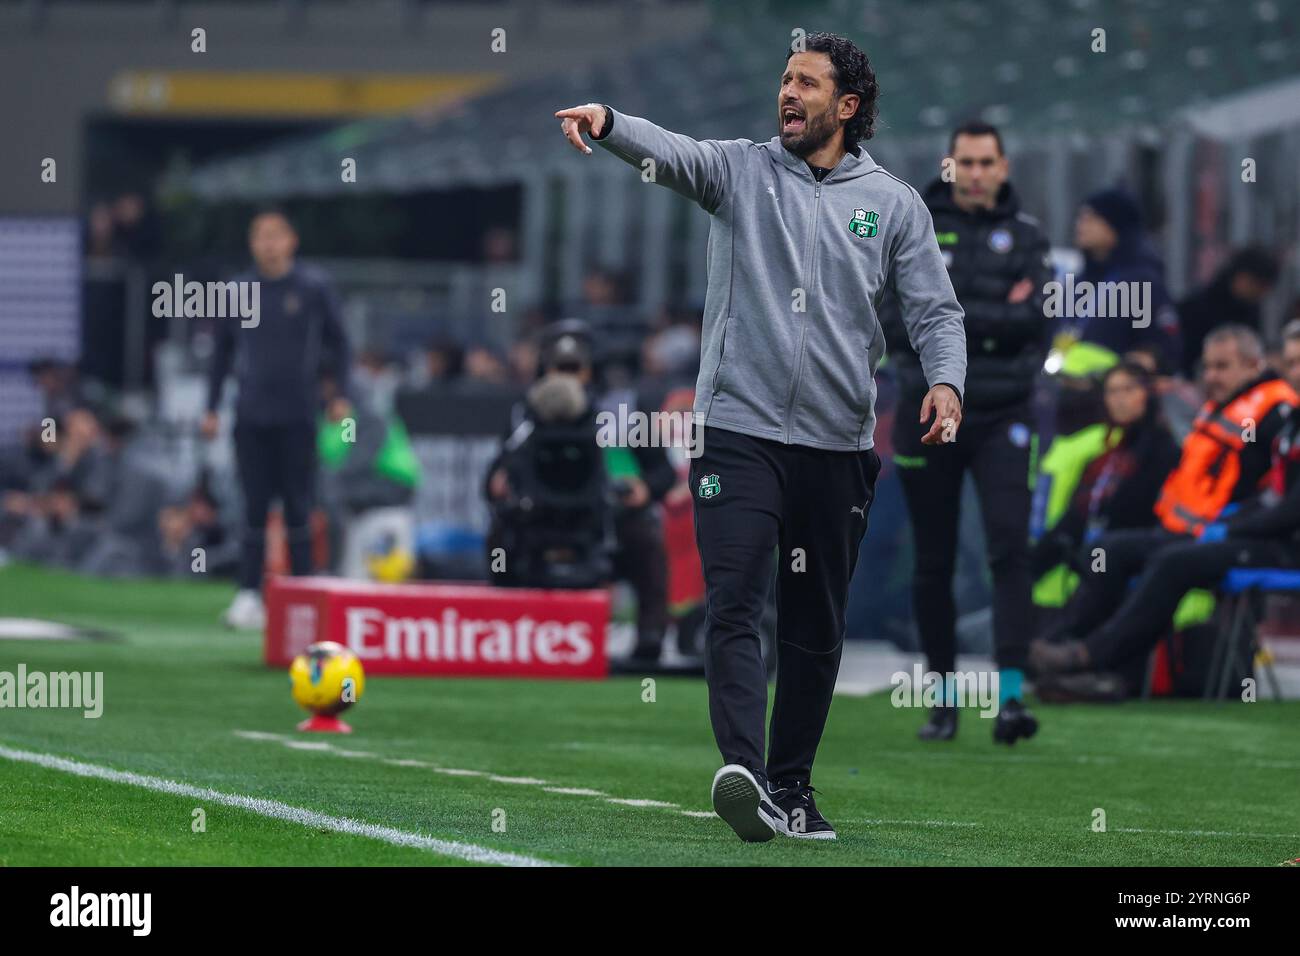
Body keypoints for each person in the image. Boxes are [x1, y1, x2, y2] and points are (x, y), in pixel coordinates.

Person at [556, 31, 966, 841]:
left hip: (838, 447)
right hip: (737, 434)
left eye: (807, 83)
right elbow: (672, 154)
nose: (789, 93)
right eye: (785, 79)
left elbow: (935, 311)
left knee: (815, 627)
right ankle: (743, 769)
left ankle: (795, 788)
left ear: (846, 107)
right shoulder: (742, 171)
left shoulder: (893, 204)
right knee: (734, 600)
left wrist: (948, 380)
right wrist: (610, 122)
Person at [883, 120, 1053, 744]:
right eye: (967, 162)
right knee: (934, 559)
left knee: (1010, 550)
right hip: (926, 408)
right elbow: (897, 321)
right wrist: (989, 320)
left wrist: (950, 315)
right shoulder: (912, 223)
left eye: (987, 162)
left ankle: (1010, 699)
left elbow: (1034, 322)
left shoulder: (1030, 235)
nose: (977, 173)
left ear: (1004, 168)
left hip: (1003, 412)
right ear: (949, 165)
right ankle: (944, 701)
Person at [1031, 321, 1300, 679]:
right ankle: (1061, 647)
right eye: (1291, 362)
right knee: (1111, 550)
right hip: (1210, 528)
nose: (1211, 376)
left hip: (1271, 543)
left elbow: (1287, 506)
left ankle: (1096, 662)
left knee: (1171, 561)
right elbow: (1274, 496)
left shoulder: (1275, 413)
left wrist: (1230, 526)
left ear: (1253, 365)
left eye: (1222, 366)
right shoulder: (1243, 411)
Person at [203, 208, 353, 630]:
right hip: (250, 415)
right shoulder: (237, 290)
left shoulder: (313, 287)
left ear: (291, 240)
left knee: (299, 506)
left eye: (275, 236)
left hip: (299, 414)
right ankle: (249, 594)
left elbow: (340, 344)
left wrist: (339, 395)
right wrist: (211, 407)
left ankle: (302, 593)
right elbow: (220, 356)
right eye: (259, 237)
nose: (267, 244)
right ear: (252, 243)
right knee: (252, 506)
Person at [1030, 362, 1180, 604]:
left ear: (1147, 394)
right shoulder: (1109, 454)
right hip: (1093, 562)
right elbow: (1079, 513)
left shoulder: (1164, 449)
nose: (1119, 399)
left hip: (1131, 563)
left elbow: (1134, 512)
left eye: (1128, 390)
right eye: (1112, 391)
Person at [1066, 187, 1181, 373]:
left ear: (1115, 227)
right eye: (1080, 217)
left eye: (1091, 218)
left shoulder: (1142, 282)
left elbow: (1162, 347)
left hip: (1115, 396)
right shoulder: (1079, 281)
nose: (1081, 225)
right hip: (1066, 394)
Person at [1177, 246, 1279, 378]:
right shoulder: (1196, 308)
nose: (1261, 294)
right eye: (1258, 286)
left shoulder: (1251, 309)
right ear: (1242, 277)